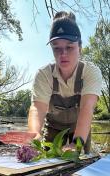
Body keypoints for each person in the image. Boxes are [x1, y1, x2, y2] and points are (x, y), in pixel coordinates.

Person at [28, 11, 102, 154]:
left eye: (69, 47)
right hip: (53, 127)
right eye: (57, 48)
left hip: (80, 125)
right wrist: (34, 135)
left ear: (80, 47)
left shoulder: (91, 72)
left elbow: (87, 108)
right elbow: (37, 109)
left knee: (83, 163)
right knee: (48, 162)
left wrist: (76, 143)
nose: (63, 54)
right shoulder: (43, 75)